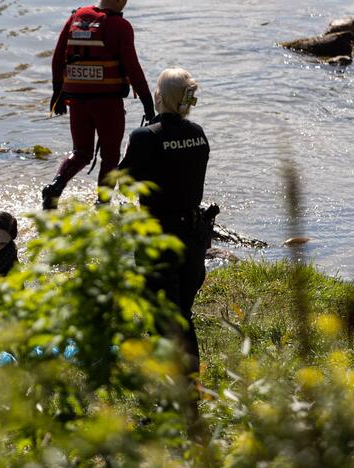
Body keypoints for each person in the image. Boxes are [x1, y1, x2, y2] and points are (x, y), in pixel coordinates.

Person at [118, 67, 210, 376]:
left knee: (163, 318)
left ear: (158, 96)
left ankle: (175, 397)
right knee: (182, 314)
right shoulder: (197, 133)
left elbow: (126, 183)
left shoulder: (145, 136)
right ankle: (189, 390)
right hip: (194, 237)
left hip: (159, 235)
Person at [42, 0, 154, 210]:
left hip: (76, 100)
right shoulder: (120, 26)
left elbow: (58, 58)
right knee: (110, 156)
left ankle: (56, 186)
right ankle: (102, 205)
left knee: (81, 152)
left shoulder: (74, 18)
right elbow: (133, 68)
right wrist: (149, 105)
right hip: (107, 102)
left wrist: (57, 93)